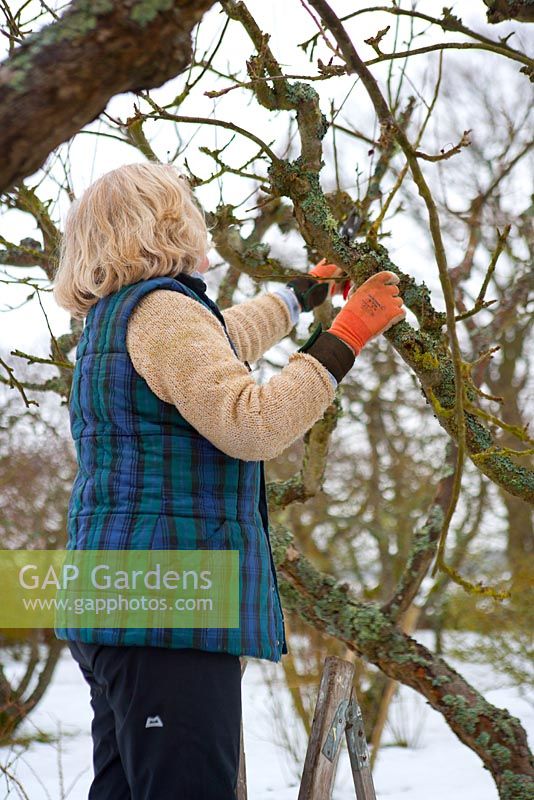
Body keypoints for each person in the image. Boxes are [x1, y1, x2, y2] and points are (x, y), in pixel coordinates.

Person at [52, 162, 406, 800]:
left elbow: (213, 344)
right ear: (164, 223)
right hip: (167, 609)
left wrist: (299, 297)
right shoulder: (162, 313)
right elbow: (255, 426)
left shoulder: (119, 319)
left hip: (114, 602)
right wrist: (346, 336)